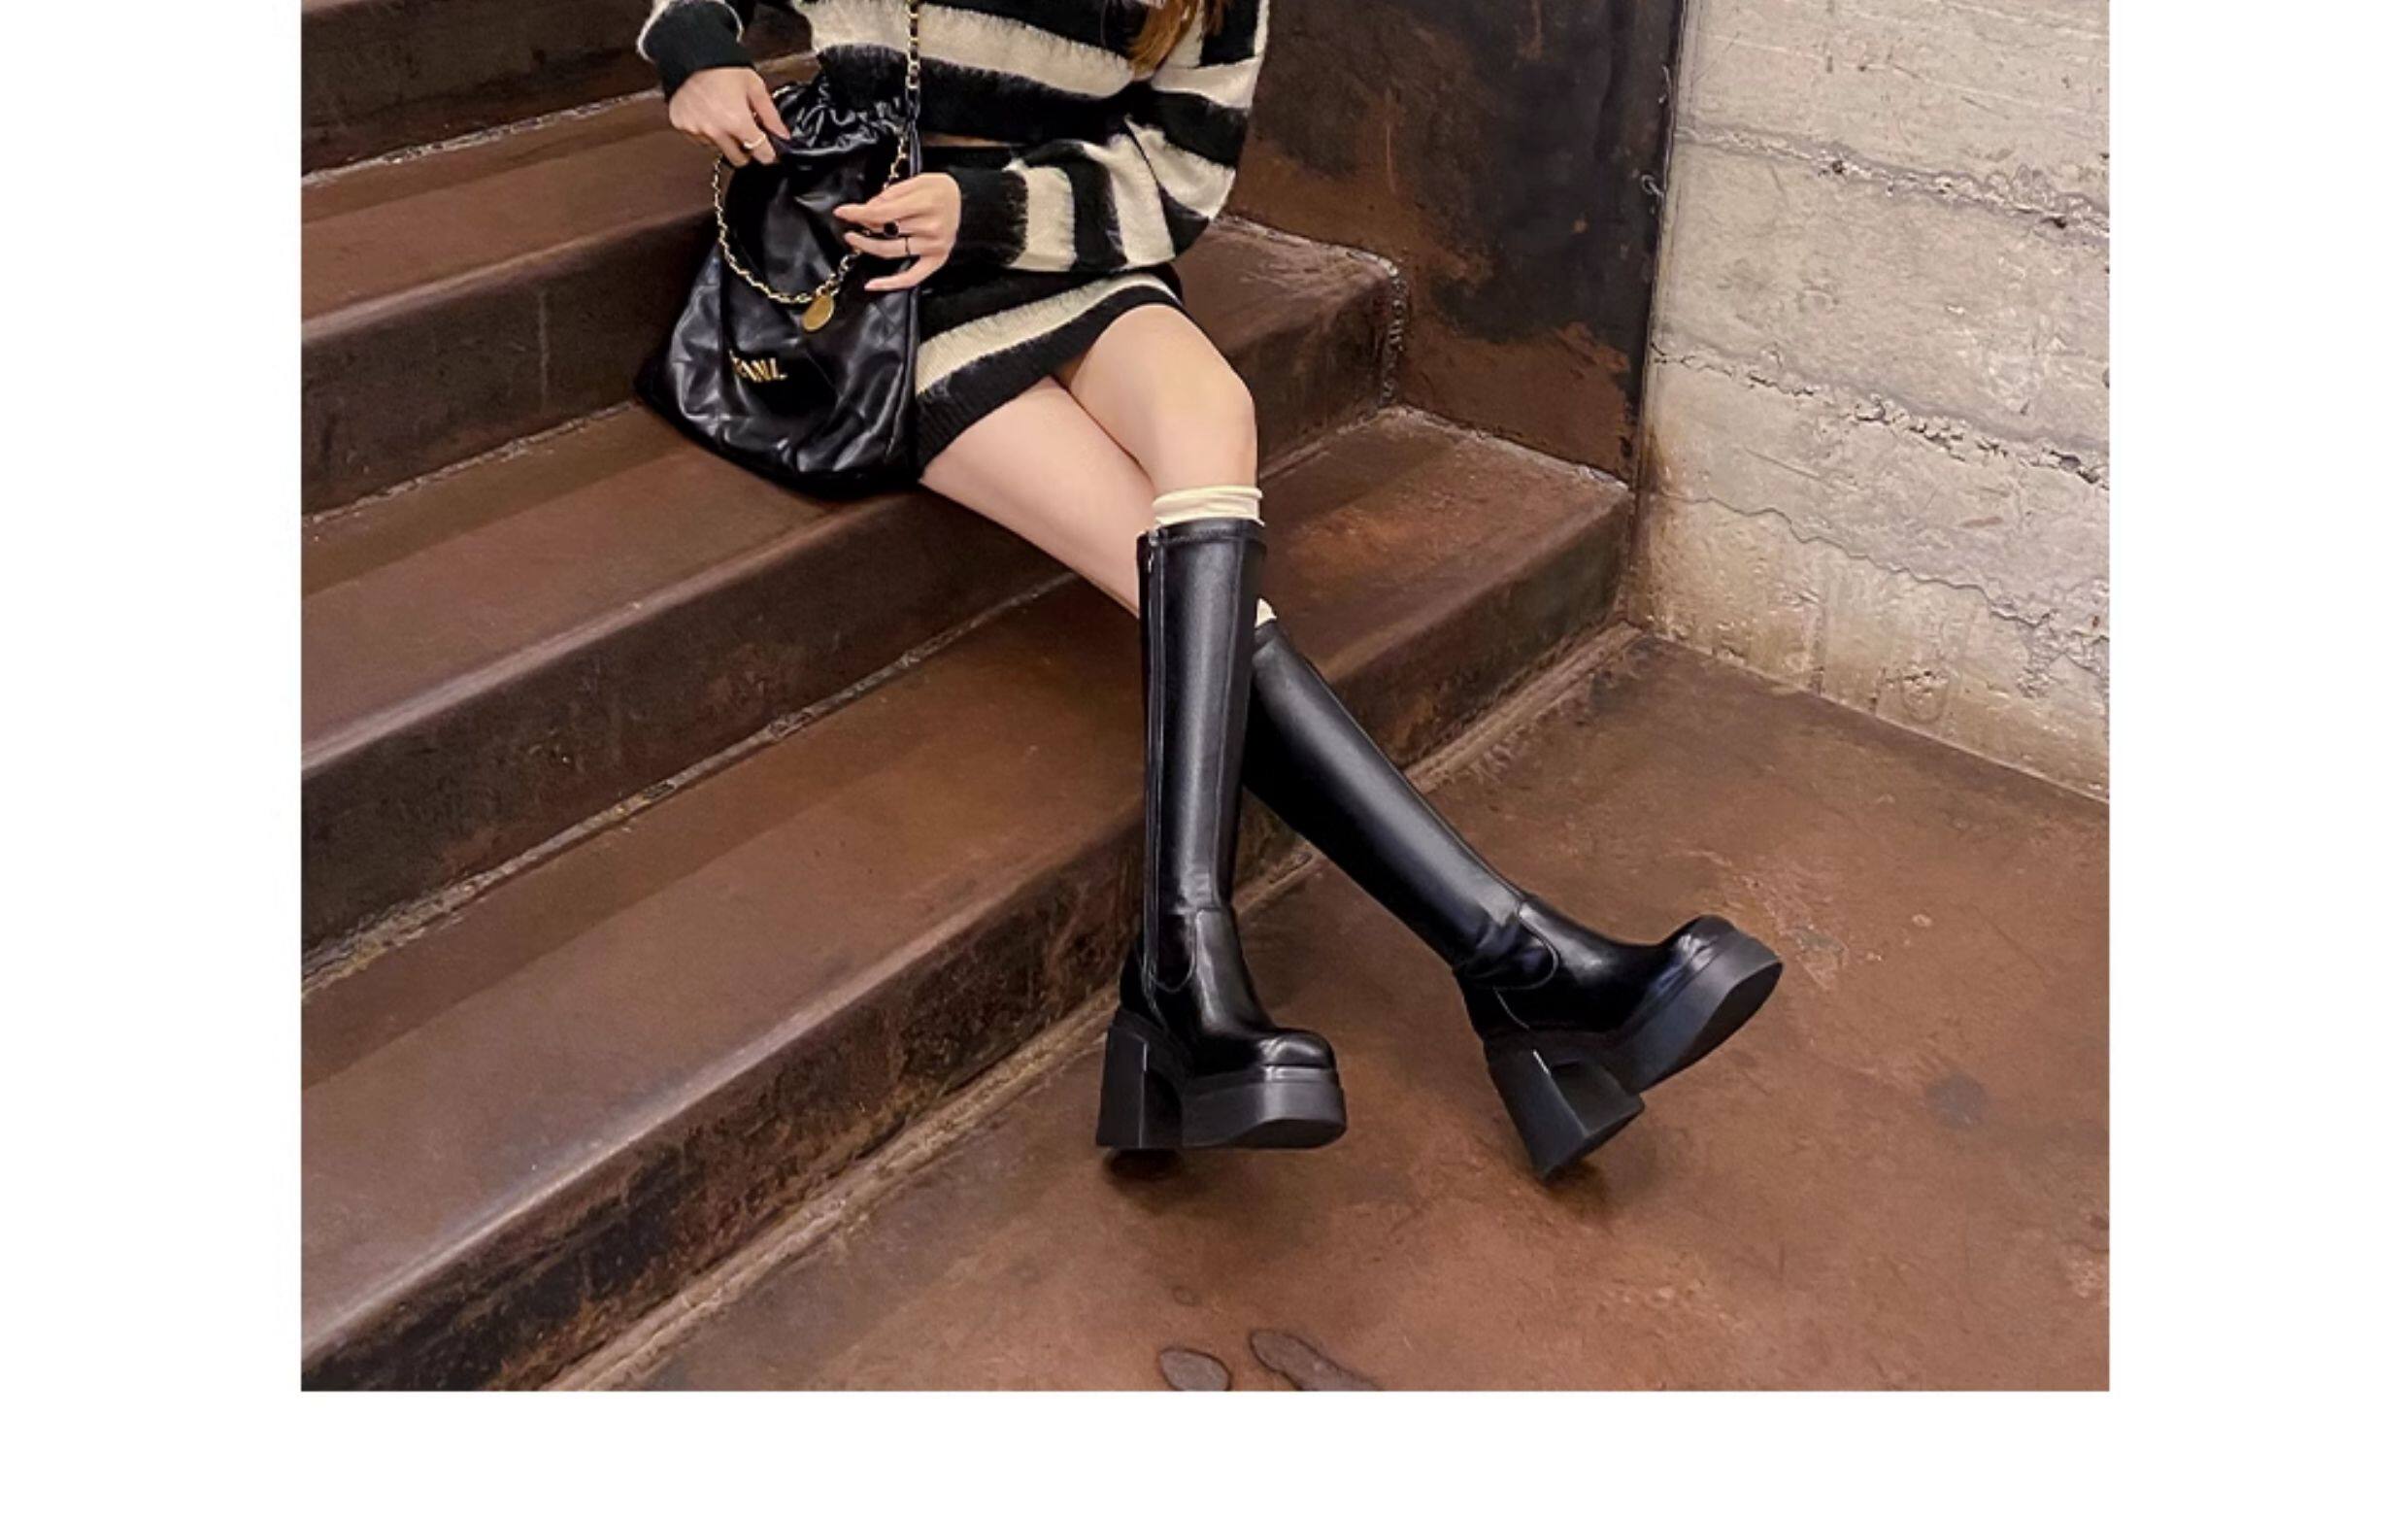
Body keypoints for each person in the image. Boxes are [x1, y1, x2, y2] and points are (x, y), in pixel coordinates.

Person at [636, 0, 1783, 1179]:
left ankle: (1198, 973)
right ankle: (1502, 964)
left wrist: (987, 209)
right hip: (877, 281)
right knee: (1166, 561)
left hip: (1054, 247)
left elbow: (1178, 175)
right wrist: (695, 53)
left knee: (1212, 416)